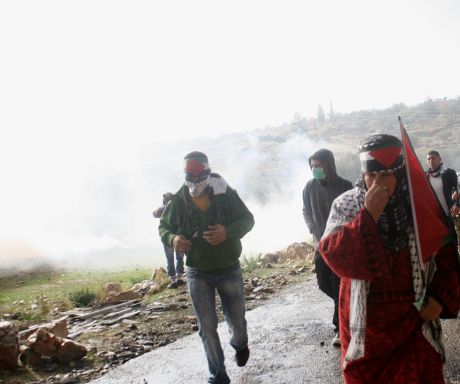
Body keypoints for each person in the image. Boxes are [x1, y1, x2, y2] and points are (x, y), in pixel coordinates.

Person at [319, 134, 460, 383]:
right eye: (371, 175)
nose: (377, 183)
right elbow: (334, 257)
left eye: (386, 175)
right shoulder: (346, 206)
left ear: (400, 174)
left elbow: (447, 252)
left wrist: (440, 298)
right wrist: (368, 216)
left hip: (413, 324)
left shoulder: (420, 205)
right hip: (365, 330)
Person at [159, 151, 255, 384]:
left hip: (228, 267)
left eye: (197, 173)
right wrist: (173, 240)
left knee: (238, 322)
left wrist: (227, 232)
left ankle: (239, 345)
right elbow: (164, 227)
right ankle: (218, 376)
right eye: (188, 174)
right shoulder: (180, 200)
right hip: (197, 272)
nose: (193, 180)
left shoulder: (225, 193)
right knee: (207, 327)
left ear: (207, 172)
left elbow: (247, 219)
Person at [302, 148, 352, 346]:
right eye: (312, 166)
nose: (315, 170)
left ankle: (340, 327)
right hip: (321, 245)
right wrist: (315, 231)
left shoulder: (344, 186)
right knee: (324, 282)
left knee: (339, 283)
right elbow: (306, 211)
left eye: (318, 166)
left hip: (341, 245)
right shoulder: (309, 187)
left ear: (329, 165)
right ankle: (343, 310)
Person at [153, 192, 185, 288]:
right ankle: (179, 278)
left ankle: (173, 281)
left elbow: (154, 214)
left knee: (170, 259)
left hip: (168, 237)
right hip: (178, 236)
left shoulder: (163, 208)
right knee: (179, 257)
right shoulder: (178, 208)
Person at [426, 150, 460, 219]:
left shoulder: (449, 173)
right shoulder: (426, 177)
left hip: (453, 212)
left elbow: (458, 189)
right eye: (428, 159)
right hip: (438, 216)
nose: (431, 161)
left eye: (433, 158)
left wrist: (457, 204)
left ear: (440, 159)